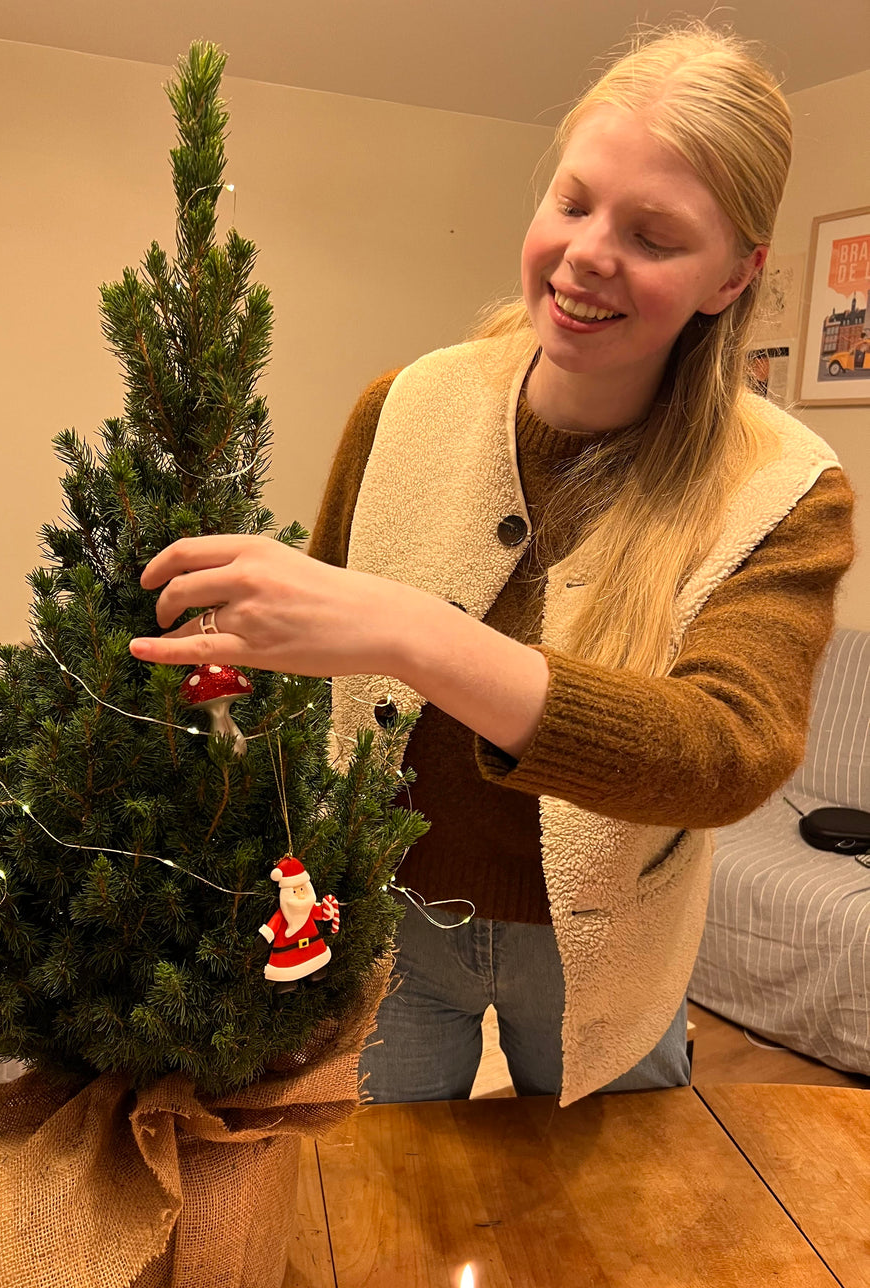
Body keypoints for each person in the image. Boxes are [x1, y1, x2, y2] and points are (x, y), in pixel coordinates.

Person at [130, 22, 855, 1106]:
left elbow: (727, 752)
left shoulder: (785, 487)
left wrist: (413, 634)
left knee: (605, 1237)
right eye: (571, 202)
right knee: (372, 1217)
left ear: (731, 277)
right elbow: (313, 669)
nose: (586, 255)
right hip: (381, 922)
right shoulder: (403, 407)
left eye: (653, 237)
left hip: (603, 949)